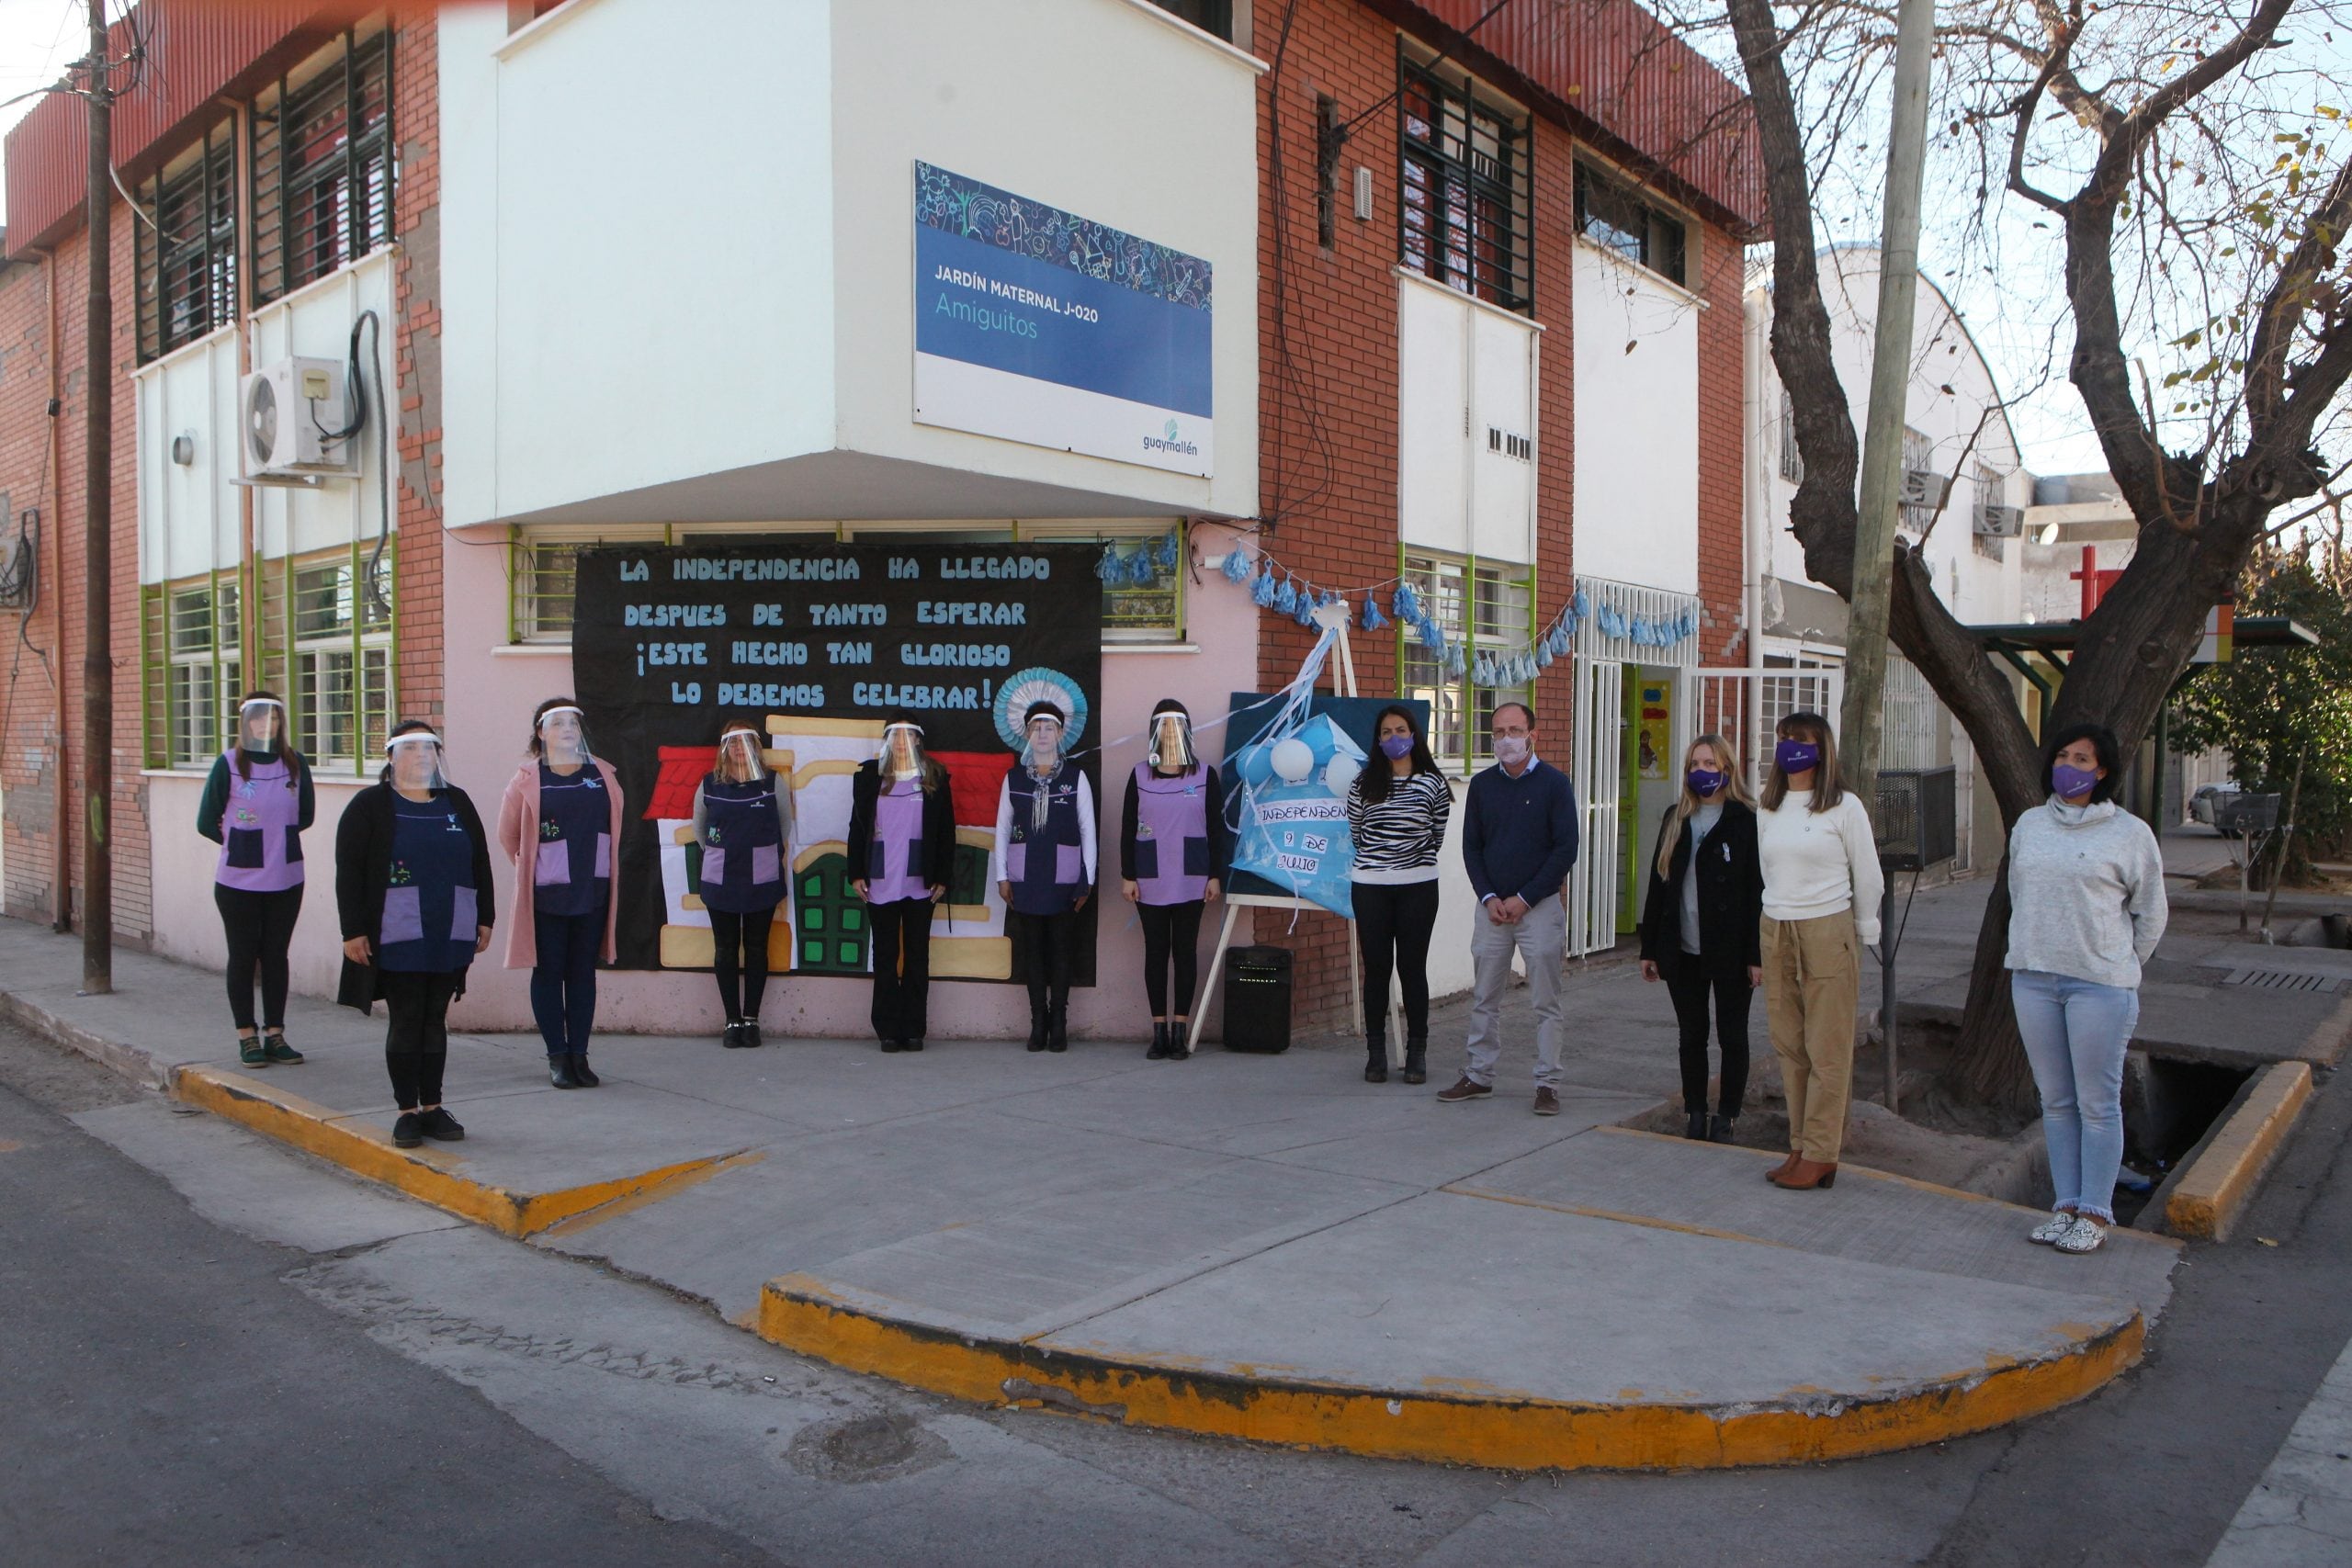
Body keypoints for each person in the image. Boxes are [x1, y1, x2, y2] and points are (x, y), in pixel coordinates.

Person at [2007, 723, 2167, 1255]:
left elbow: (2151, 914)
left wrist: (2116, 962)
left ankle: (2095, 1212)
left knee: (2098, 1103)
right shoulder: (2029, 824)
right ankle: (2065, 1205)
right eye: (2062, 756)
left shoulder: (2130, 833)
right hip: (2034, 980)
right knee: (2056, 1101)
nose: (2068, 766)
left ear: (2102, 771)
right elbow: (2018, 893)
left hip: (2100, 986)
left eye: (2082, 759)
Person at [335, 723, 494, 1151]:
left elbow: (480, 861)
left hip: (450, 926)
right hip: (398, 930)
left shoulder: (456, 801)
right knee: (407, 1019)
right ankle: (407, 1111)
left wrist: (486, 917)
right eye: (410, 749)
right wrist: (353, 930)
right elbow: (348, 871)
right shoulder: (370, 806)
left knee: (434, 1019)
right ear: (391, 757)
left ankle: (434, 1107)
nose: (421, 756)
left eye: (429, 749)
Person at [1756, 711, 1883, 1191]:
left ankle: (1823, 1151)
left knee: (1826, 1045)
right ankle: (1799, 1144)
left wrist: (1865, 928)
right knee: (1789, 1042)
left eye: (1801, 741)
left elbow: (1866, 873)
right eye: (1784, 739)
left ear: (1821, 749)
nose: (1790, 748)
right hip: (1777, 925)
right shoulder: (1769, 806)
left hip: (1828, 925)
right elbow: (1767, 868)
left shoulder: (1844, 807)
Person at [1438, 703, 1578, 1115]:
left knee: (1545, 1002)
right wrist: (1489, 897)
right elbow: (1472, 848)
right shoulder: (1482, 786)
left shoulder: (1555, 784)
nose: (1506, 739)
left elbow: (1564, 849)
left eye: (1515, 730)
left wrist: (1525, 898)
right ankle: (1478, 1075)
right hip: (1493, 911)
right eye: (1498, 732)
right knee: (1484, 996)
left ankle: (1547, 1083)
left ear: (1533, 734)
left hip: (1539, 910)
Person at [1638, 734, 1763, 1142]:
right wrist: (1650, 948)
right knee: (1691, 1034)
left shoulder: (1746, 819)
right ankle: (1695, 1111)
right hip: (1682, 947)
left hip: (1729, 949)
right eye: (1695, 764)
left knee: (1732, 1034)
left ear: (1727, 769)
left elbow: (1756, 892)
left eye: (1710, 764)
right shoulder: (1677, 817)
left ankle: (1727, 1116)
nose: (1701, 772)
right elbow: (1659, 887)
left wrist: (1755, 954)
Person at [497, 699, 624, 1089]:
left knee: (583, 973)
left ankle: (580, 1055)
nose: (567, 729)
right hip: (548, 894)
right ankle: (557, 1056)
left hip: (593, 888)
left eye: (573, 723)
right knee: (549, 972)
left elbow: (615, 824)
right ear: (541, 733)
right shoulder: (527, 778)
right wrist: (535, 869)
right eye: (558, 723)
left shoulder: (602, 773)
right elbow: (509, 835)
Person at [198, 693, 315, 1068]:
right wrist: (241, 844)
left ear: (281, 722)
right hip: (238, 883)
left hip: (286, 878)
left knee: (276, 955)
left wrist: (276, 844)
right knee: (244, 956)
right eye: (257, 719)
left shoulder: (295, 765)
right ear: (245, 723)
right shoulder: (229, 764)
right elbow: (207, 821)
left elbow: (306, 816)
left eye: (273, 718)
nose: (266, 725)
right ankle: (246, 1035)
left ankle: (275, 1033)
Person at [1346, 704, 1449, 1085]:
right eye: (1386, 732)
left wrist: (1407, 863)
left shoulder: (1433, 783)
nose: (1394, 738)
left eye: (1401, 730)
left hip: (1418, 886)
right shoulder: (1362, 783)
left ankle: (1416, 1053)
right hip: (1371, 886)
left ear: (1414, 735)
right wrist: (1383, 864)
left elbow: (1436, 835)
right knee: (1377, 971)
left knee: (1411, 968)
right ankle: (1376, 1055)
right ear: (1377, 739)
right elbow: (1357, 834)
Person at [1120, 698, 1225, 1062]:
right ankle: (1158, 1031)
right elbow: (1127, 828)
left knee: (1184, 952)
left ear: (1186, 730)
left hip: (1192, 877)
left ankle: (1180, 1030)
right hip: (1150, 877)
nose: (1169, 734)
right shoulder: (1139, 775)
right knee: (1155, 953)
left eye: (1175, 726)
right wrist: (1128, 875)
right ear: (1154, 732)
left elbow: (1215, 828)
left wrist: (1215, 875)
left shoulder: (1204, 775)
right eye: (1162, 727)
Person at [846, 717, 957, 1053]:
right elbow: (857, 827)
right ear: (886, 741)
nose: (901, 742)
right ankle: (887, 1029)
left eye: (908, 735)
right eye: (895, 736)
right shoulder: (869, 776)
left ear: (919, 741)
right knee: (885, 956)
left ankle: (913, 1028)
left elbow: (947, 831)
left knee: (917, 956)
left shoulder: (934, 776)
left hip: (919, 879)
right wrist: (855, 873)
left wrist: (942, 877)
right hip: (880, 876)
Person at [993, 699, 1096, 1053]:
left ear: (1061, 734)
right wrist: (1002, 876)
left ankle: (1059, 1023)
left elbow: (1087, 829)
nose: (1043, 734)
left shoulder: (1075, 777)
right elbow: (1003, 828)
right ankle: (1037, 1023)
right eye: (1036, 728)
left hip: (1065, 880)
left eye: (1049, 728)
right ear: (1026, 734)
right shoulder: (1014, 778)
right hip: (1025, 878)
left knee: (1061, 952)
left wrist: (1089, 879)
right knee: (1033, 953)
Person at [692, 724, 793, 1048]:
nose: (739, 747)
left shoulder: (772, 782)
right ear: (724, 749)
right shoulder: (709, 785)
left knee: (756, 947)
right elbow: (699, 829)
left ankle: (751, 1019)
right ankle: (731, 1018)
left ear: (756, 746)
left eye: (746, 741)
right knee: (724, 948)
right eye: (732, 742)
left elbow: (783, 825)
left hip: (760, 878)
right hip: (721, 878)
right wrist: (721, 854)